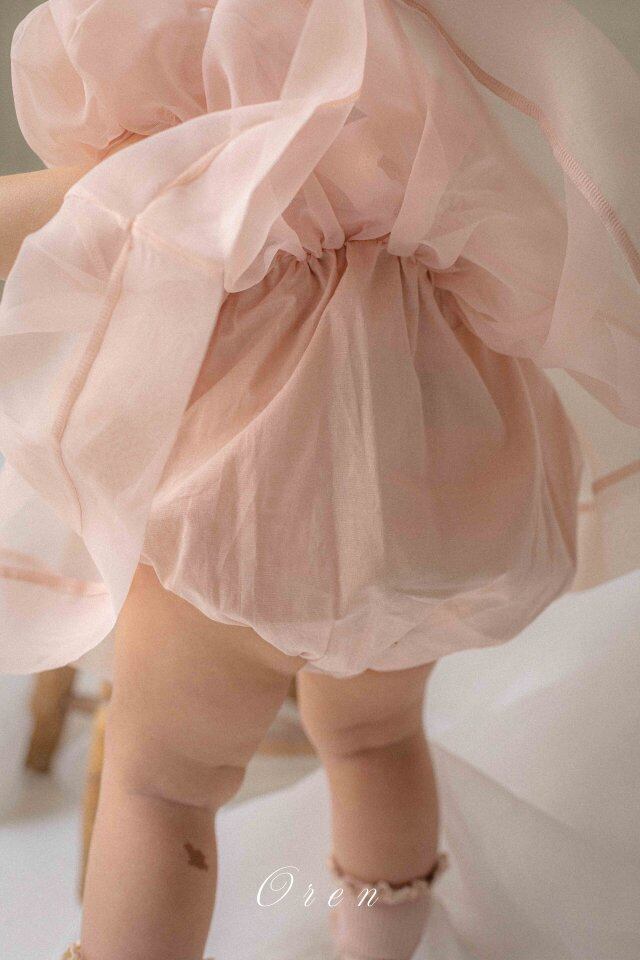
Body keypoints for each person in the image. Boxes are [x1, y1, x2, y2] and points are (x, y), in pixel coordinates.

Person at [0, 1, 638, 958]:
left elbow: (59, 216)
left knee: (165, 783)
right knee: (376, 740)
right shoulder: (445, 139)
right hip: (440, 502)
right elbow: (541, 287)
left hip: (248, 512)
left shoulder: (207, 144)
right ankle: (380, 944)